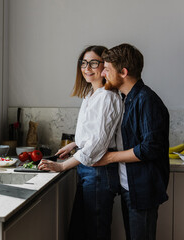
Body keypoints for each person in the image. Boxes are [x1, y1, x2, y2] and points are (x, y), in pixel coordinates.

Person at [38, 45, 123, 240]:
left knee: (95, 233)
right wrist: (74, 144)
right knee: (82, 230)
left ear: (105, 67)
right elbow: (93, 134)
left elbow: (98, 144)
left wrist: (62, 166)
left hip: (99, 171)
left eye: (94, 63)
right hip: (89, 169)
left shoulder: (108, 97)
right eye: (84, 63)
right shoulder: (90, 95)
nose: (87, 68)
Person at [93, 43, 170, 240]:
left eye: (107, 70)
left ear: (124, 72)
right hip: (130, 187)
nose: (103, 74)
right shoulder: (126, 98)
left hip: (143, 189)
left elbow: (150, 147)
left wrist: (110, 158)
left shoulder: (146, 100)